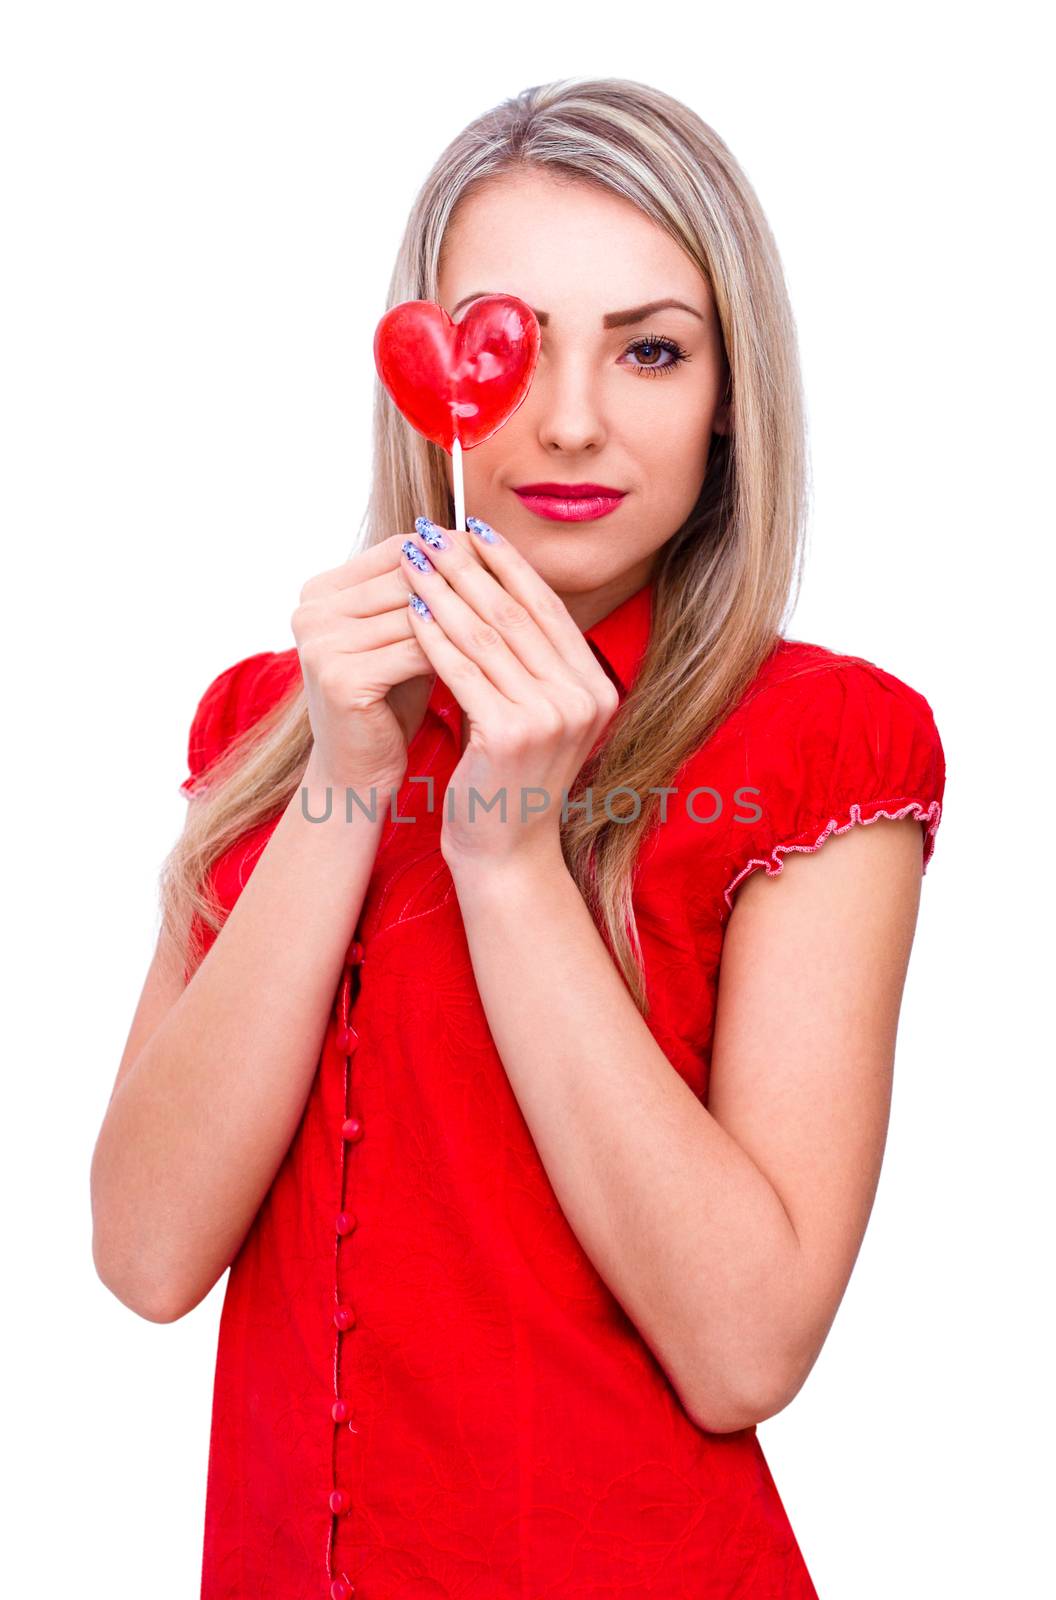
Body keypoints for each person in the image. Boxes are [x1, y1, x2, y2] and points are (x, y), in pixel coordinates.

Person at [90, 77, 946, 1600]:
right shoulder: (265, 725)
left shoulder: (820, 747)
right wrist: (342, 775)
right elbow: (148, 1256)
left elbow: (747, 1349)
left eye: (652, 350)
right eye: (509, 344)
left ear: (730, 394)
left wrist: (506, 860)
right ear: (429, 380)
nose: (569, 420)